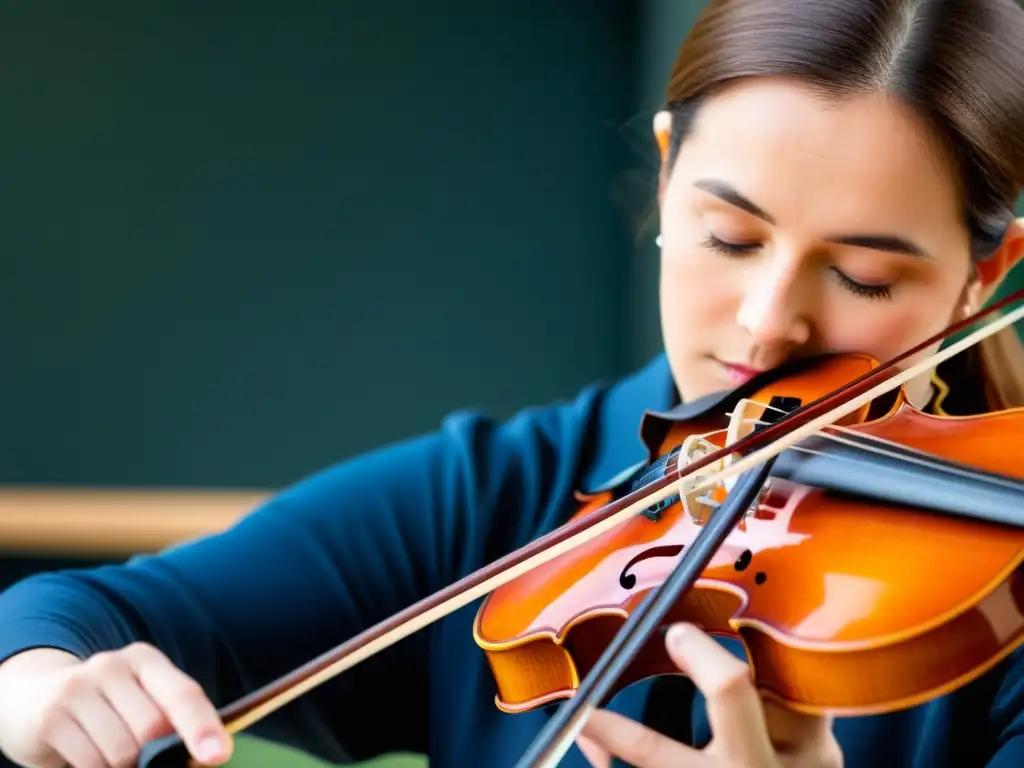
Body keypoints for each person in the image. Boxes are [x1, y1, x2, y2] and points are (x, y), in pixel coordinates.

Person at [3, 0, 1024, 766]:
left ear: (984, 274)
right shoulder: (500, 501)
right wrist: (44, 686)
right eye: (728, 236)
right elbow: (76, 613)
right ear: (666, 177)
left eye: (862, 275)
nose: (767, 320)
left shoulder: (1000, 588)